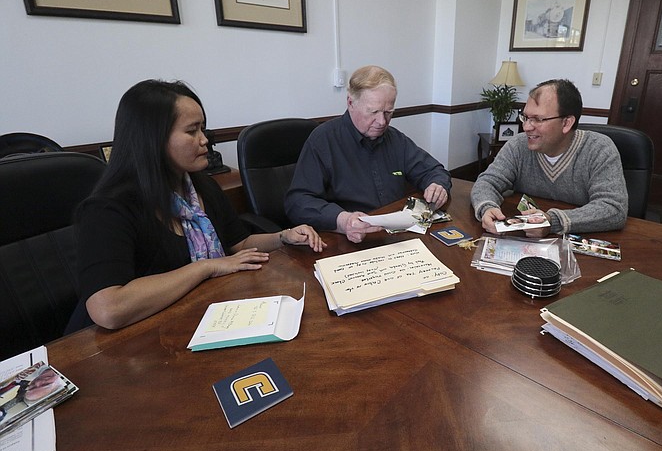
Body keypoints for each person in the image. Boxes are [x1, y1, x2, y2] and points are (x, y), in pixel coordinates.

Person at [65, 80, 326, 332]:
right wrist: (206, 267)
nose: (204, 140)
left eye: (203, 129)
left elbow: (239, 245)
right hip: (129, 344)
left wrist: (283, 237)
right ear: (152, 139)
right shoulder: (109, 209)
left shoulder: (199, 185)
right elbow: (108, 309)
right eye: (192, 131)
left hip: (201, 318)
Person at [284, 65, 452, 243]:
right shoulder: (323, 140)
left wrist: (437, 185)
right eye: (373, 112)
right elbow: (298, 202)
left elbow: (434, 170)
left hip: (394, 235)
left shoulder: (394, 139)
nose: (382, 122)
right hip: (347, 239)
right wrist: (343, 220)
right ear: (350, 103)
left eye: (389, 112)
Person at [470, 78, 628, 237]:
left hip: (579, 243)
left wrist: (552, 221)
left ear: (566, 123)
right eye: (525, 117)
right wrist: (487, 207)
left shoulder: (599, 149)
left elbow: (614, 209)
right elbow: (487, 182)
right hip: (524, 242)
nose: (526, 127)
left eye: (538, 119)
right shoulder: (518, 144)